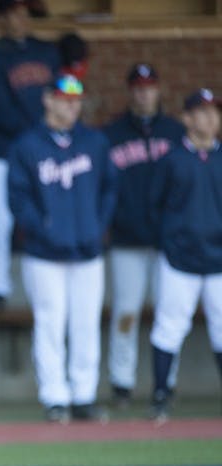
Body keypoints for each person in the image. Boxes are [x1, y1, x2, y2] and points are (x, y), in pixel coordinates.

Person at [7, 73, 117, 423]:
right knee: (50, 322)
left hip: (87, 250)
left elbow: (110, 189)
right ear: (48, 100)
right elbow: (18, 197)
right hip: (44, 254)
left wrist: (97, 226)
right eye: (65, 100)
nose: (72, 107)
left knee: (86, 323)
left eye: (76, 101)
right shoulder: (27, 145)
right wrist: (42, 228)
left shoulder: (94, 142)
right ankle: (54, 396)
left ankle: (83, 395)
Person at [102, 64, 185, 407]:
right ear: (129, 92)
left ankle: (166, 382)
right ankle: (122, 382)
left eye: (149, 87)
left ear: (158, 90)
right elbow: (105, 187)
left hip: (169, 242)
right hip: (127, 241)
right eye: (137, 87)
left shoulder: (176, 132)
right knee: (126, 312)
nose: (143, 93)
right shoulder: (111, 134)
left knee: (169, 315)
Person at [0, 0, 60, 313]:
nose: (20, 19)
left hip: (43, 146)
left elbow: (61, 94)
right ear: (1, 19)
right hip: (2, 148)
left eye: (24, 14)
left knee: (49, 208)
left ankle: (53, 269)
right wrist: (34, 132)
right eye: (13, 14)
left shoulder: (47, 52)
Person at [147, 88, 222, 423]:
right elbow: (154, 207)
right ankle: (161, 394)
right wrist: (169, 242)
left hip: (219, 260)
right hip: (180, 259)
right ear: (187, 118)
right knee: (169, 326)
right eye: (202, 112)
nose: (210, 118)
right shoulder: (172, 159)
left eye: (214, 112)